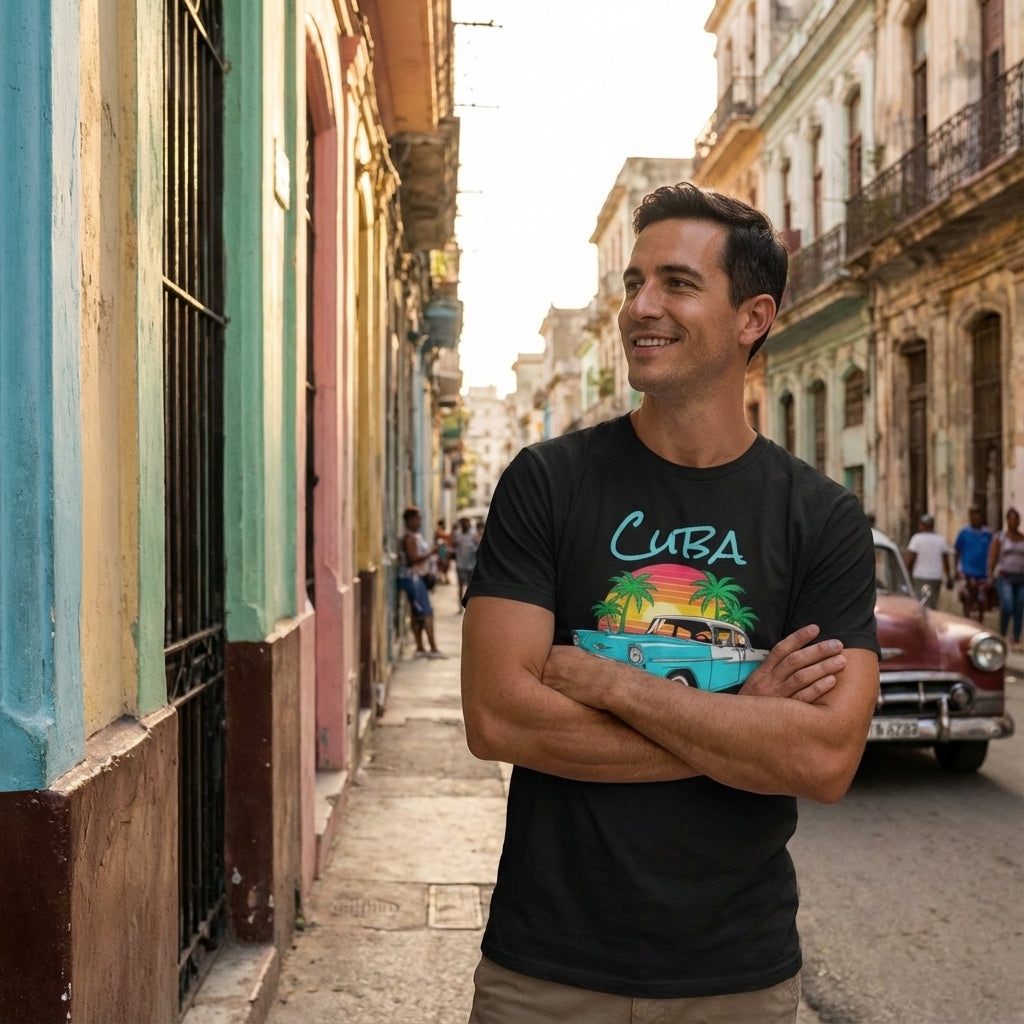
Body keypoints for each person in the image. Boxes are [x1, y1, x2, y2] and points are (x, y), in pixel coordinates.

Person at [461, 183, 880, 1023]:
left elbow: (824, 759)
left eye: (677, 284)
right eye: (632, 283)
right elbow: (501, 720)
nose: (639, 308)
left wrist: (610, 684)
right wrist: (743, 719)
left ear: (753, 318)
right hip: (546, 971)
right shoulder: (547, 482)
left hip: (736, 978)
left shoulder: (822, 518)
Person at [397, 506, 447, 659]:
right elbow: (413, 559)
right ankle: (432, 648)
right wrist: (431, 552)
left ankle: (420, 647)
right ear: (410, 520)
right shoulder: (410, 538)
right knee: (426, 612)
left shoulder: (413, 536)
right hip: (413, 578)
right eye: (417, 518)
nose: (419, 521)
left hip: (414, 578)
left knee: (416, 612)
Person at [988, 507, 1024, 651]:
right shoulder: (1000, 538)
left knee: (1019, 608)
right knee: (1008, 605)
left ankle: (1016, 638)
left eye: (1016, 519)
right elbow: (992, 558)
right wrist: (990, 577)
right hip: (1005, 577)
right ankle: (1002, 634)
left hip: (1020, 577)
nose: (1013, 522)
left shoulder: (1022, 538)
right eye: (1011, 519)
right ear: (1007, 520)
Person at [905, 514, 954, 608]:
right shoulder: (941, 540)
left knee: (921, 603)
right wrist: (948, 577)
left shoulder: (917, 539)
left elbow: (909, 561)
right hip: (935, 577)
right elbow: (946, 562)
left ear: (923, 525)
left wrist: (909, 578)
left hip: (920, 577)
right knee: (932, 603)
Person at [954, 504, 994, 620]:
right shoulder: (964, 532)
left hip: (982, 572)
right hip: (967, 571)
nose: (975, 519)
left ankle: (980, 622)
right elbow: (957, 550)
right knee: (967, 598)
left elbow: (992, 553)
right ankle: (967, 619)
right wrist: (956, 569)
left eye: (977, 517)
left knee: (981, 600)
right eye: (972, 517)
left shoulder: (987, 534)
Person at [450, 515, 479, 610]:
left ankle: (469, 606)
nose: (466, 525)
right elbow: (452, 545)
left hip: (471, 565)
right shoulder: (457, 534)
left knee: (470, 586)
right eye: (464, 523)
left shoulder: (473, 534)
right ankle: (460, 605)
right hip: (460, 564)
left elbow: (478, 544)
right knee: (460, 586)